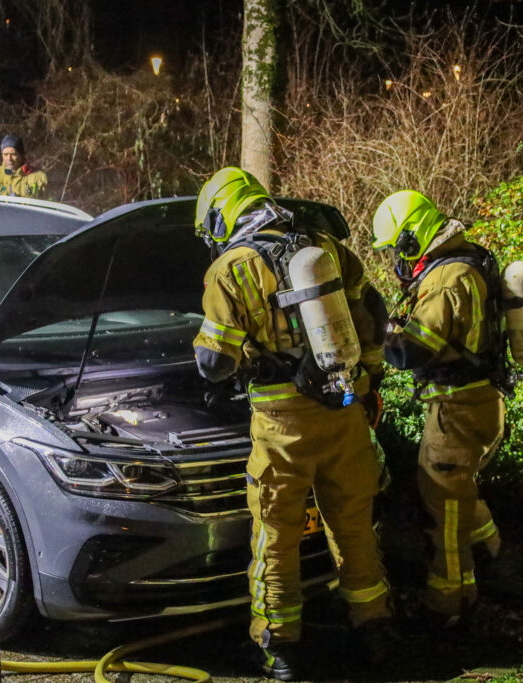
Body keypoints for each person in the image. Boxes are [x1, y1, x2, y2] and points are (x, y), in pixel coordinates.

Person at [191, 167, 392, 680]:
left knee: (275, 537)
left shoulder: (231, 269)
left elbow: (215, 364)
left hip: (282, 428)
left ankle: (279, 648)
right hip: (345, 412)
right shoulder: (325, 247)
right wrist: (369, 383)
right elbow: (373, 313)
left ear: (221, 215)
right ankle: (375, 629)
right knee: (352, 525)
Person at [371, 190, 505, 629]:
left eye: (396, 245)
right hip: (477, 401)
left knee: (441, 510)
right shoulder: (463, 262)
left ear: (412, 237)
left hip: (457, 407)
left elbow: (413, 350)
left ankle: (445, 607)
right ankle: (493, 563)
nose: (395, 256)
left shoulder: (447, 278)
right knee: (460, 494)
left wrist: (377, 336)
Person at [0, 134, 47, 198]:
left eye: (13, 154)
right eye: (5, 154)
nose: (9, 158)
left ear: (21, 155)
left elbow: (50, 207)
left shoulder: (39, 177)